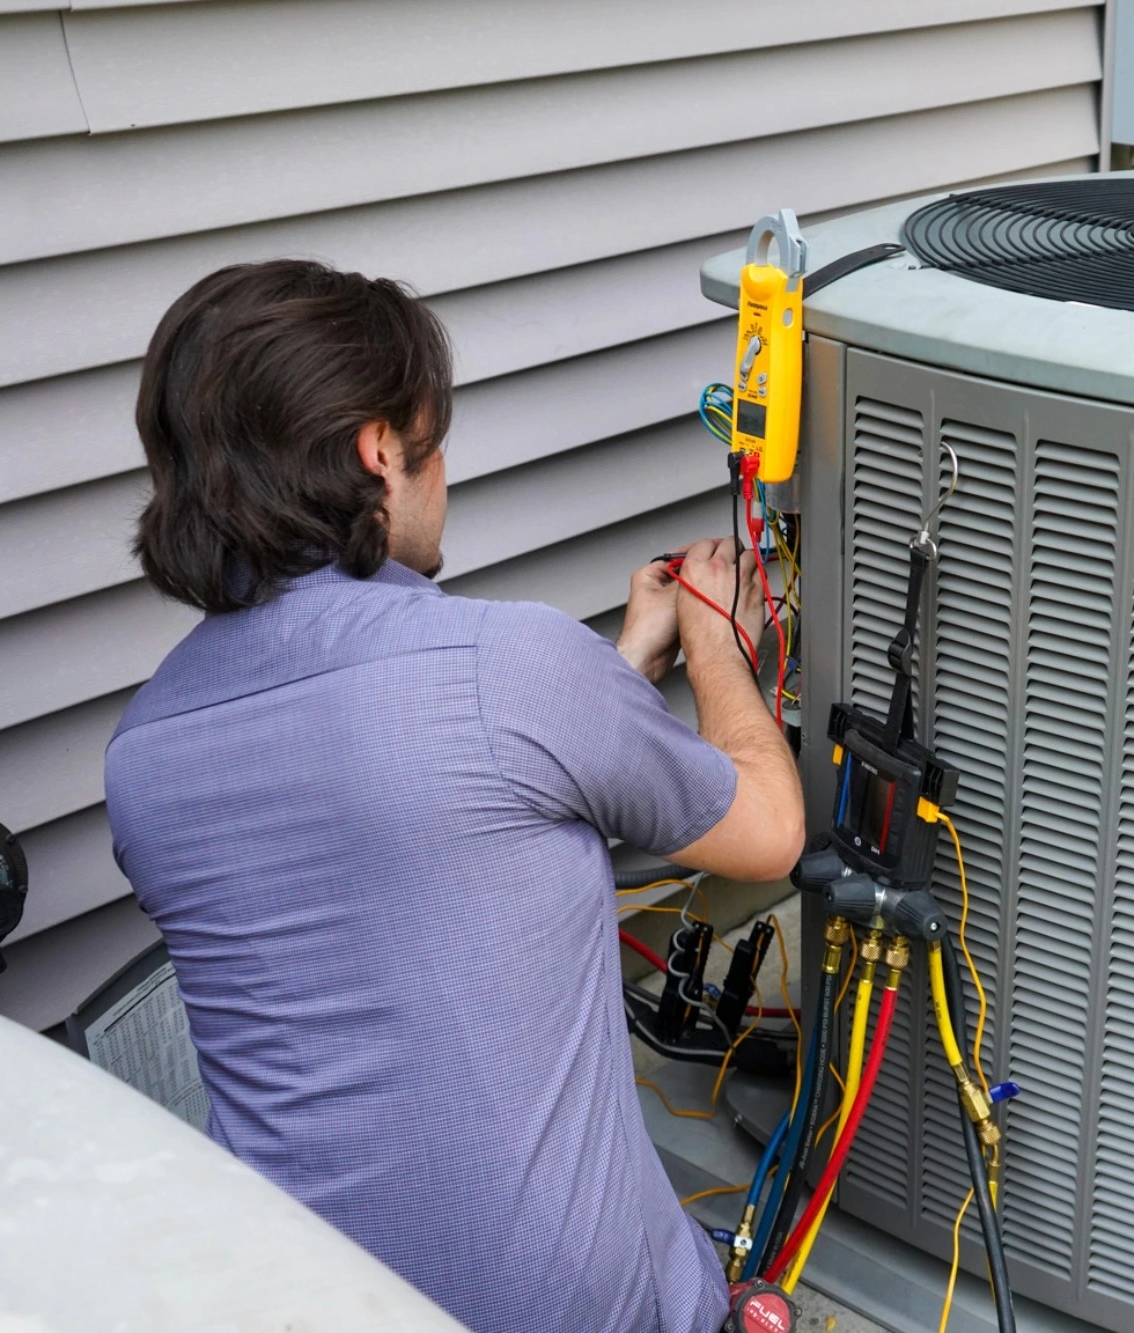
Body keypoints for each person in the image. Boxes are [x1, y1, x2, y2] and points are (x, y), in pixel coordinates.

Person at [103, 259, 803, 1333]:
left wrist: (621, 663)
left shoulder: (141, 753)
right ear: (379, 448)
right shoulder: (506, 664)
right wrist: (713, 644)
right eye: (434, 440)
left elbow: (439, 827)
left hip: (299, 1295)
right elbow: (767, 832)